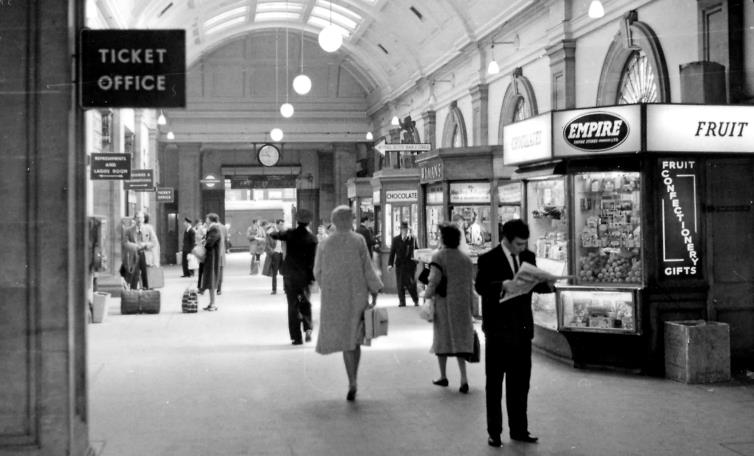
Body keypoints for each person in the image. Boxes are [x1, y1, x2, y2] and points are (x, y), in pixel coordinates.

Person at [474, 219, 555, 448]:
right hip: (498, 331)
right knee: (495, 383)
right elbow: (480, 287)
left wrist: (548, 284)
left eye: (524, 244)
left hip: (521, 330)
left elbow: (532, 284)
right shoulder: (488, 259)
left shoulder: (528, 257)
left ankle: (519, 429)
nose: (522, 248)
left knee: (520, 383)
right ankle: (495, 432)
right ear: (507, 240)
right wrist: (502, 285)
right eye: (518, 244)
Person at [315, 205, 383, 401]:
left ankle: (351, 379)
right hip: (357, 295)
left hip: (334, 297)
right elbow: (367, 268)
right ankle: (354, 379)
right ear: (349, 220)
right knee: (355, 338)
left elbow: (317, 271)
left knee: (345, 338)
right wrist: (374, 289)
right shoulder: (358, 240)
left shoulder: (325, 244)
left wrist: (327, 287)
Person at [424, 222, 475, 394]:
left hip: (444, 304)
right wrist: (472, 308)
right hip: (462, 305)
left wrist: (427, 296)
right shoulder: (466, 259)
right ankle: (464, 379)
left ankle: (443, 376)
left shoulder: (438, 257)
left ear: (444, 239)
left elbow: (434, 280)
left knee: (442, 339)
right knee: (461, 340)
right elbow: (470, 285)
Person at [269, 209, 318, 345]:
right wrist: (312, 278)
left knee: (293, 305)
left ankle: (297, 337)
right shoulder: (312, 239)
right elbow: (313, 261)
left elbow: (274, 235)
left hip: (290, 276)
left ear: (297, 220)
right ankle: (308, 327)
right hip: (304, 277)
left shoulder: (290, 234)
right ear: (310, 221)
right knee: (305, 301)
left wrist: (274, 231)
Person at [122, 211, 159, 290]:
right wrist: (135, 246)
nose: (139, 220)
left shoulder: (149, 229)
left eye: (141, 218)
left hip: (145, 255)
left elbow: (154, 242)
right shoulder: (129, 230)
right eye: (138, 218)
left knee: (147, 276)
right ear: (134, 219)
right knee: (134, 277)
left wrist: (145, 244)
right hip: (134, 256)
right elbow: (125, 243)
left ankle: (147, 292)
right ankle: (133, 293)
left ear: (143, 219)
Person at [388, 221, 419, 307]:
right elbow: (392, 252)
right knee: (400, 284)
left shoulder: (413, 239)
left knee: (411, 284)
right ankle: (402, 302)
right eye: (403, 229)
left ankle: (415, 300)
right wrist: (390, 264)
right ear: (401, 230)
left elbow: (416, 250)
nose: (405, 231)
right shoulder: (396, 239)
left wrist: (417, 260)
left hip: (410, 265)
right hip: (400, 265)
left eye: (406, 229)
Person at [199, 213, 224, 311]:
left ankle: (213, 304)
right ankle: (211, 303)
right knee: (210, 280)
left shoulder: (215, 229)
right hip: (210, 258)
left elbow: (210, 243)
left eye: (207, 218)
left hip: (212, 258)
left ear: (211, 220)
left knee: (212, 280)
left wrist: (204, 241)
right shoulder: (212, 229)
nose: (206, 219)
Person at [262, 219, 285, 294]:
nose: (282, 226)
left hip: (282, 254)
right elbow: (267, 244)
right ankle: (274, 289)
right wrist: (272, 253)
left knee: (285, 272)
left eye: (283, 224)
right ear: (277, 224)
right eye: (281, 224)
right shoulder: (270, 232)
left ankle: (285, 288)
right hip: (275, 253)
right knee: (274, 272)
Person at [194, 219, 207, 292]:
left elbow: (203, 238)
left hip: (203, 251)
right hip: (201, 250)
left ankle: (201, 287)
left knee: (202, 270)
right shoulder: (201, 229)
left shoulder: (202, 229)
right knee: (201, 270)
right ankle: (201, 287)